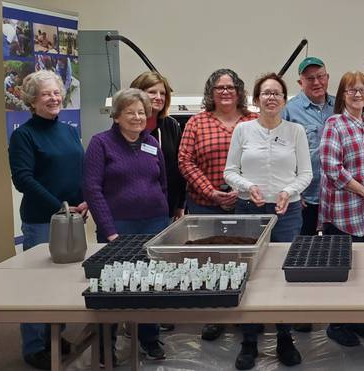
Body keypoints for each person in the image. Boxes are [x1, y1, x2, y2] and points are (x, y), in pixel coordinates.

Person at [224, 73, 309, 369]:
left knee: (282, 272)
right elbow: (230, 172)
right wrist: (248, 188)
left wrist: (287, 191)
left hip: (287, 212)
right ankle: (249, 340)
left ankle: (285, 337)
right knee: (250, 272)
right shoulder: (243, 131)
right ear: (256, 98)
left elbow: (305, 174)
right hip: (250, 211)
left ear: (285, 100)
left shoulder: (296, 131)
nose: (271, 97)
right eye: (265, 93)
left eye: (277, 93)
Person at [83, 88, 168, 363]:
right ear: (117, 116)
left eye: (142, 112)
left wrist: (163, 217)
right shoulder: (101, 143)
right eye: (130, 112)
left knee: (150, 284)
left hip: (153, 224)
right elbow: (92, 189)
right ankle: (107, 345)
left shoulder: (152, 142)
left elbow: (162, 182)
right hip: (117, 226)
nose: (137, 117)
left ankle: (149, 338)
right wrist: (109, 230)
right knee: (111, 287)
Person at [9, 70, 86, 370]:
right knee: (37, 286)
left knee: (64, 284)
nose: (54, 98)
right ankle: (34, 345)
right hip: (43, 220)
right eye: (46, 94)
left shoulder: (67, 130)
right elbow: (23, 179)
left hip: (73, 217)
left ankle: (55, 335)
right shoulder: (23, 135)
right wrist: (61, 207)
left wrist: (83, 201)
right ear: (31, 100)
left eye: (56, 93)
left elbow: (78, 169)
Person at [178, 68, 257, 341]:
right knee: (209, 261)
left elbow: (264, 160)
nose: (225, 92)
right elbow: (185, 161)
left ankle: (246, 315)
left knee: (242, 259)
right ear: (210, 93)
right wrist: (211, 192)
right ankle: (214, 316)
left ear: (239, 91)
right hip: (205, 204)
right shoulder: (197, 122)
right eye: (219, 88)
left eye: (230, 87)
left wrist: (242, 189)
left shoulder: (253, 120)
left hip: (245, 204)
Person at [319, 71, 364, 347]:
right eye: (351, 90)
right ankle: (337, 323)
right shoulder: (335, 124)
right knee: (342, 269)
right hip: (345, 212)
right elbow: (331, 168)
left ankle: (356, 317)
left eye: (362, 90)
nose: (358, 95)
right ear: (342, 95)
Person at [283, 57, 336, 237]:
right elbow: (281, 154)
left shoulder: (340, 106)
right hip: (305, 197)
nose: (316, 82)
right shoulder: (289, 111)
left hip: (336, 197)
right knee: (302, 248)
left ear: (327, 77)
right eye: (310, 78)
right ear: (300, 82)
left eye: (320, 76)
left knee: (335, 250)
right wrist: (293, 189)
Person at [130, 71, 187, 221]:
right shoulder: (127, 126)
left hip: (166, 206)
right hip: (132, 209)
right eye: (152, 92)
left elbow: (179, 167)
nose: (158, 97)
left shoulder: (171, 126)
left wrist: (180, 204)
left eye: (163, 93)